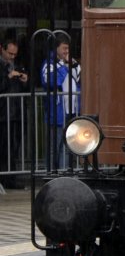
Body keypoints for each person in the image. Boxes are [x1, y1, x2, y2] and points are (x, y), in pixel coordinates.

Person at [40, 38, 81, 171]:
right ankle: (51, 175)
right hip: (57, 112)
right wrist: (63, 67)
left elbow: (80, 78)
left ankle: (65, 174)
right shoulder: (49, 64)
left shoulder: (71, 63)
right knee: (55, 147)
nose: (66, 51)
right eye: (64, 48)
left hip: (71, 111)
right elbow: (51, 81)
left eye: (68, 49)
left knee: (68, 146)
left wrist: (72, 65)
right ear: (56, 48)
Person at [0, 38, 28, 173]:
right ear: (2, 49)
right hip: (3, 114)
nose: (12, 57)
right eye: (10, 54)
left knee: (14, 147)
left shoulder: (18, 65)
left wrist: (25, 80)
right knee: (4, 147)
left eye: (14, 54)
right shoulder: (2, 67)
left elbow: (28, 89)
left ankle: (11, 177)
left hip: (16, 113)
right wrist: (8, 77)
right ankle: (5, 176)